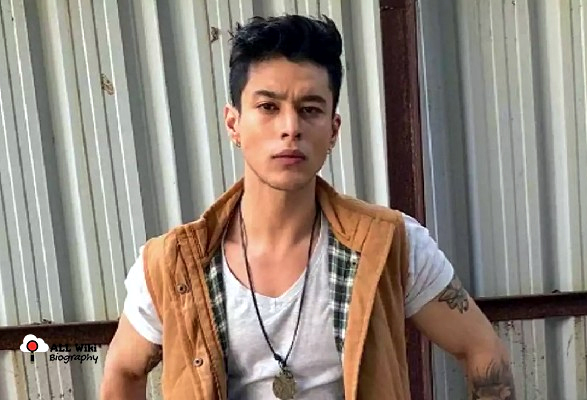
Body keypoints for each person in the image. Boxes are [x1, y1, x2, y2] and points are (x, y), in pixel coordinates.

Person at [100, 14, 515, 400]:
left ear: (333, 129)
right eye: (268, 107)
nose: (290, 128)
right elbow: (123, 370)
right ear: (233, 124)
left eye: (310, 109)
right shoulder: (173, 265)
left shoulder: (390, 244)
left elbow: (482, 350)